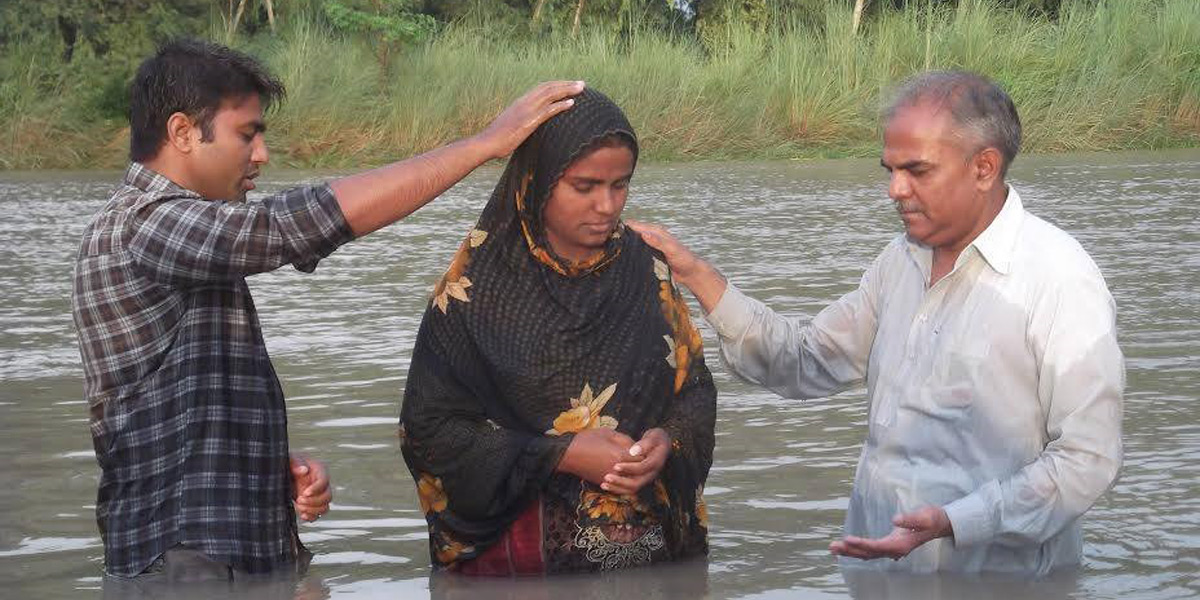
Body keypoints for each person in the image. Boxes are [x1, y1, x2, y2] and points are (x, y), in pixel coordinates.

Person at [71, 38, 582, 583]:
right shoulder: (143, 223)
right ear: (181, 133)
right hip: (181, 562)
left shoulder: (183, 234)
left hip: (223, 557)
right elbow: (290, 226)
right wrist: (484, 145)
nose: (262, 156)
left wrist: (268, 470)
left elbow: (180, 401)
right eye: (248, 134)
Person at [629, 70, 1124, 576]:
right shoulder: (900, 261)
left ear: (984, 167)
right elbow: (807, 359)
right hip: (879, 573)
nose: (894, 189)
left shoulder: (1058, 277)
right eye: (889, 169)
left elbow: (1088, 460)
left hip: (997, 579)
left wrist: (957, 521)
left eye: (917, 171)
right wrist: (697, 274)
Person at [399, 88, 716, 575]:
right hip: (523, 572)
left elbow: (693, 390)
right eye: (584, 186)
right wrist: (559, 454)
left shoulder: (645, 269)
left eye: (620, 185)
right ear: (539, 180)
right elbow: (429, 433)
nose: (607, 206)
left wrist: (666, 442)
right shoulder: (474, 291)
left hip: (650, 566)